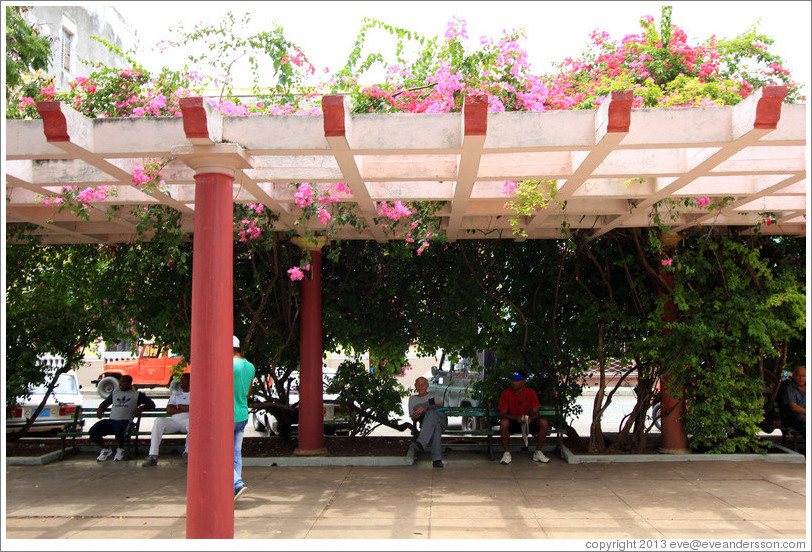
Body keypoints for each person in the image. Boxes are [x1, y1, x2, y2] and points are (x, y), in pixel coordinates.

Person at [89, 375, 155, 462]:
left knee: (120, 429)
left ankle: (120, 449)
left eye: (123, 382)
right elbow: (104, 403)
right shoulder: (115, 393)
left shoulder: (136, 395)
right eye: (120, 382)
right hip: (112, 421)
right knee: (93, 430)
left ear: (129, 383)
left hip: (125, 421)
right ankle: (105, 449)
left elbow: (152, 404)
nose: (120, 384)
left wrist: (141, 408)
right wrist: (100, 408)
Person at [498, 371, 550, 465]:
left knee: (544, 422)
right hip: (513, 421)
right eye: (513, 380)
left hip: (527, 422)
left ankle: (538, 452)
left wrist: (531, 419)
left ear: (523, 382)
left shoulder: (531, 392)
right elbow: (502, 414)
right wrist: (515, 418)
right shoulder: (506, 393)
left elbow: (536, 412)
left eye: (517, 380)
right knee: (504, 422)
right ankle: (506, 453)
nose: (514, 382)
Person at [142, 372, 190, 466]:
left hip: (187, 421)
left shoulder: (195, 394)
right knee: (158, 421)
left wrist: (178, 407)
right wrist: (184, 407)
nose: (181, 382)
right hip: (174, 422)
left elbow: (194, 408)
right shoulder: (176, 394)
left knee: (193, 425)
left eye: (184, 379)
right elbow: (169, 410)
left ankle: (187, 453)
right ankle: (153, 455)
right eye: (181, 379)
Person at [233, 335, 255, 502]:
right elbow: (247, 393)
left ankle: (236, 484)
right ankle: (235, 487)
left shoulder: (228, 365)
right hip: (242, 413)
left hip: (227, 414)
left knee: (222, 452)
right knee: (236, 453)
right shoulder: (250, 367)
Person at [408, 376, 448, 468]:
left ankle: (421, 443)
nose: (420, 387)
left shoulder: (434, 394)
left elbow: (439, 405)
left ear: (427, 386)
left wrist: (425, 408)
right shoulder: (412, 399)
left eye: (423, 384)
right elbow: (413, 418)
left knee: (431, 413)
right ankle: (437, 460)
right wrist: (415, 416)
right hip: (427, 425)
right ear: (415, 386)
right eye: (418, 385)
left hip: (440, 419)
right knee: (436, 428)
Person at [783, 366, 806, 434]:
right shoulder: (790, 389)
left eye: (803, 376)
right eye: (799, 376)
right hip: (798, 418)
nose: (801, 378)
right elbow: (794, 407)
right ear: (794, 376)